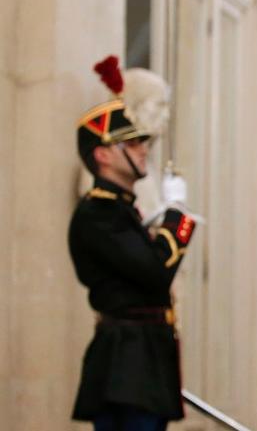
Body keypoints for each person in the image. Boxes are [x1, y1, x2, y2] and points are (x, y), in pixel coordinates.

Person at [69, 56, 196, 430]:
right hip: (126, 366)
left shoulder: (122, 212)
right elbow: (156, 272)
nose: (143, 149)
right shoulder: (98, 214)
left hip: (144, 363)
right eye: (131, 143)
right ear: (103, 154)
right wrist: (177, 215)